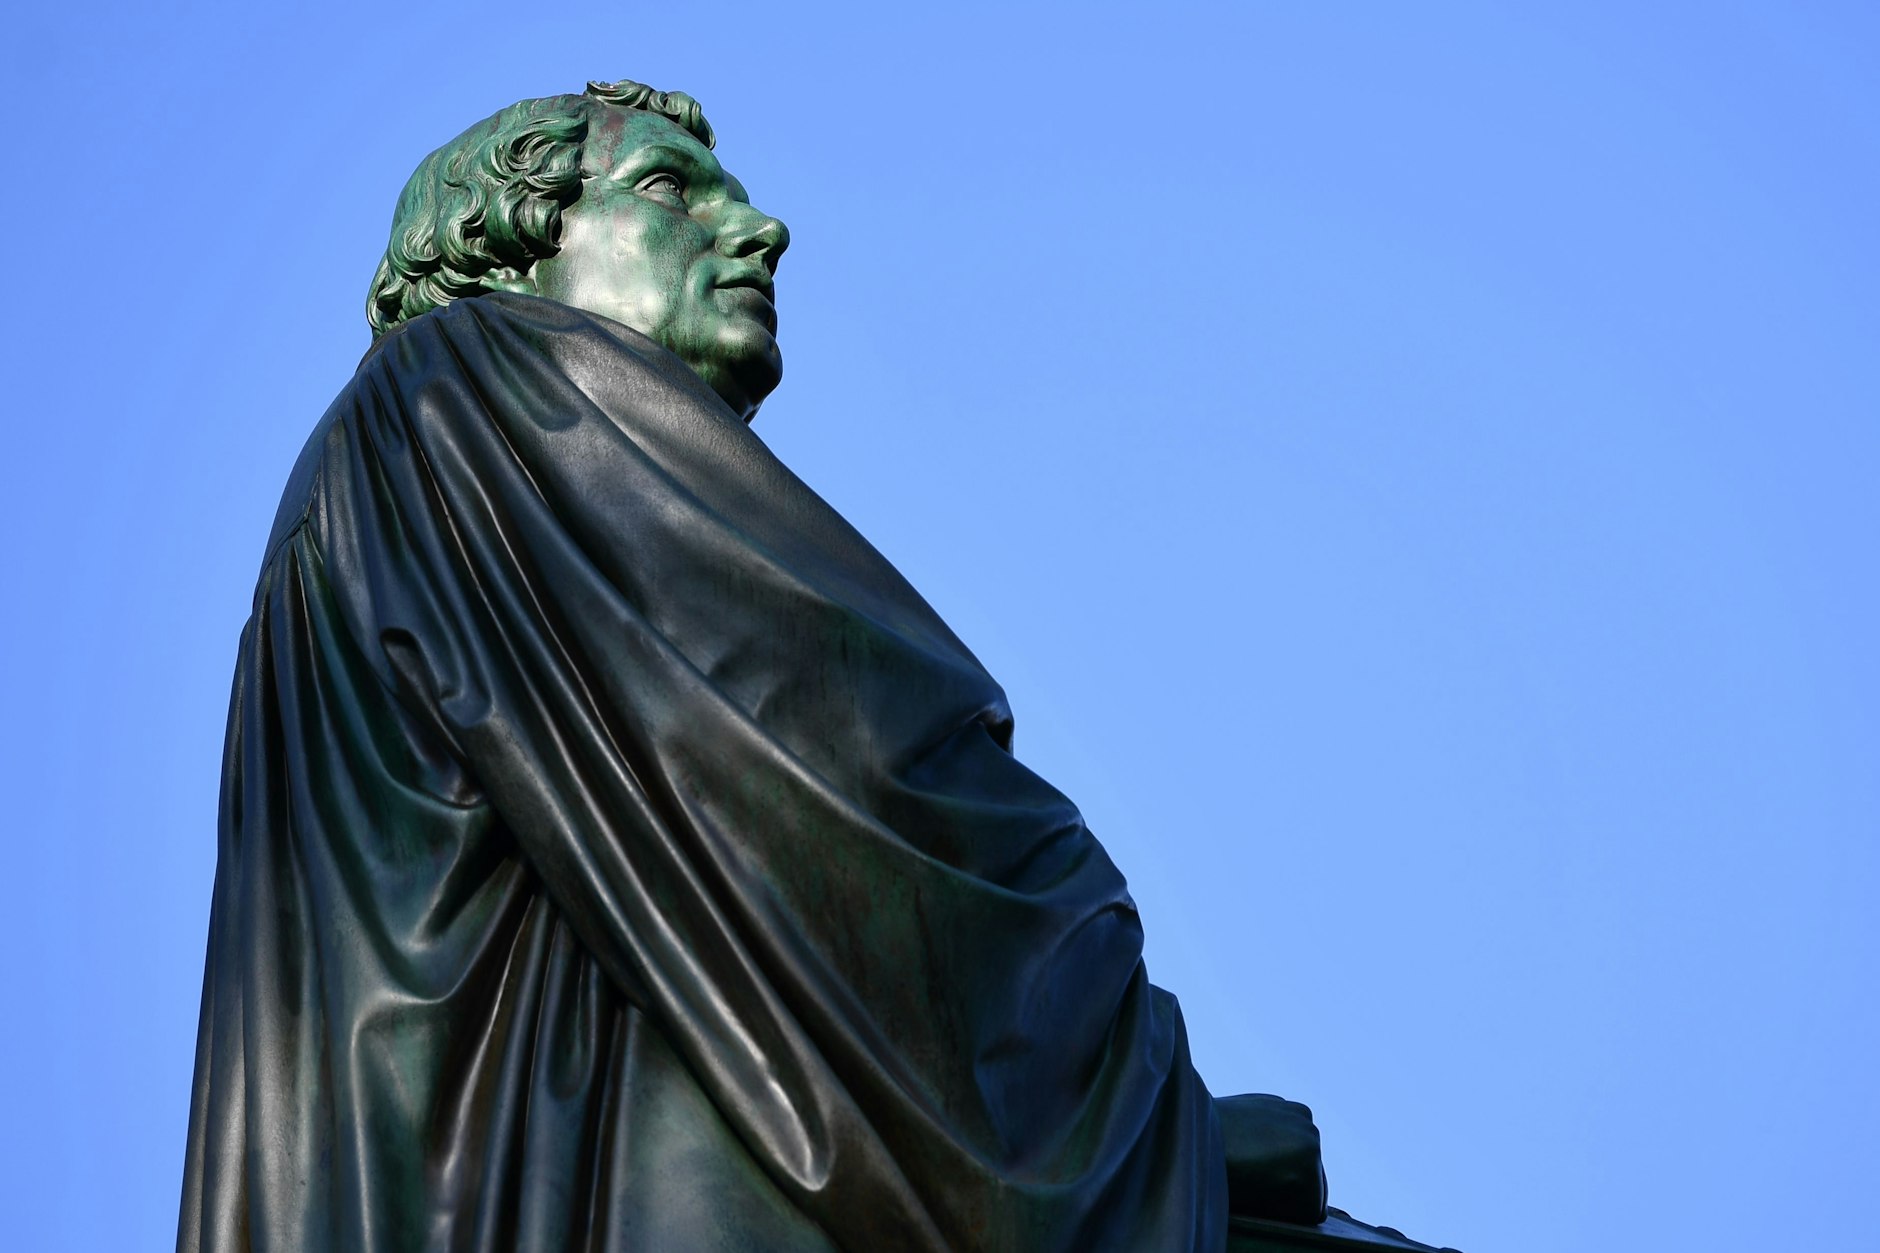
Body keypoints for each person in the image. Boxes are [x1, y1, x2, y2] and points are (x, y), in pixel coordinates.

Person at [179, 78, 1327, 1253]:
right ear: (510, 250)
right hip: (637, 1165)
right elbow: (835, 761)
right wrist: (1144, 1114)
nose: (759, 230)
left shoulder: (388, 477)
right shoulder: (465, 381)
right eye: (669, 190)